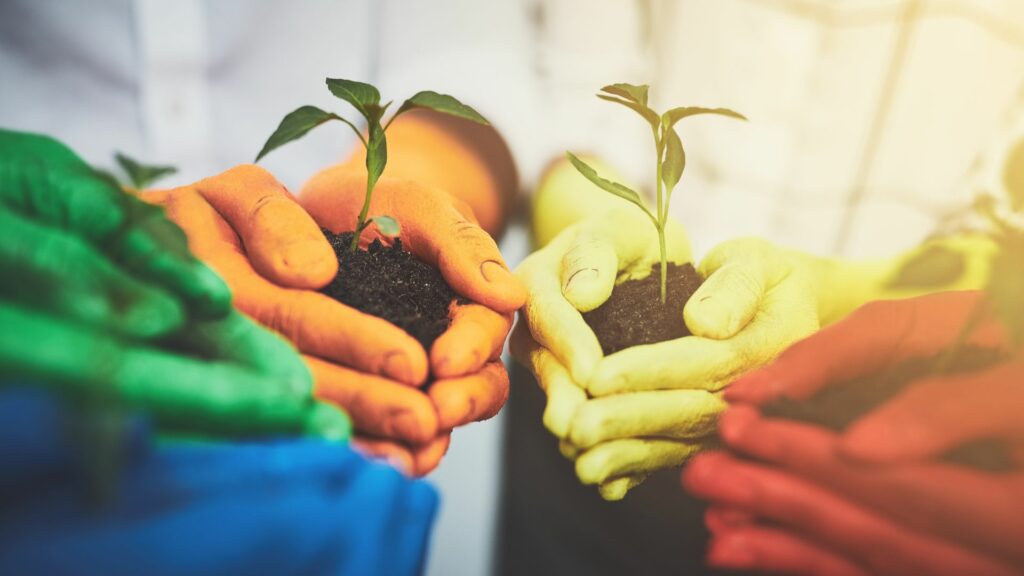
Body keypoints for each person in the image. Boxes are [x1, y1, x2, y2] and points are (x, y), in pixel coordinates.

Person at [500, 1, 1024, 574]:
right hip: (583, 406)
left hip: (885, 432)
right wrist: (586, 223)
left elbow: (1006, 235)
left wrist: (833, 294)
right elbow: (576, 87)